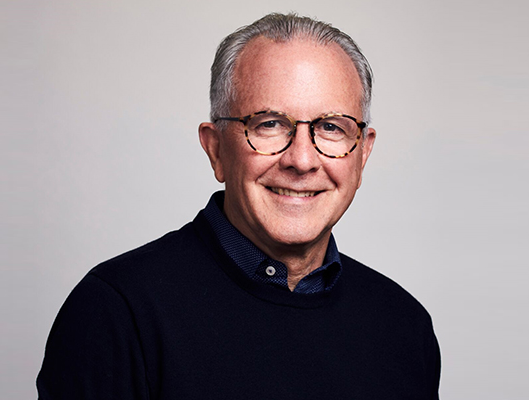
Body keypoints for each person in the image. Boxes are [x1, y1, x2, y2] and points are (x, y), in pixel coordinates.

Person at [37, 13, 440, 399]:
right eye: (269, 124)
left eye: (331, 127)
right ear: (215, 149)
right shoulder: (116, 312)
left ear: (362, 154)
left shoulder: (404, 326)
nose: (302, 160)